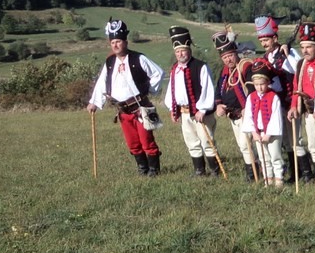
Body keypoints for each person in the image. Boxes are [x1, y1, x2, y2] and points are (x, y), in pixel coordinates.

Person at [86, 18, 164, 176]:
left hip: (141, 108)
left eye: (118, 41)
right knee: (132, 142)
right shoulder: (110, 62)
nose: (115, 45)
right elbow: (102, 82)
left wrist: (149, 90)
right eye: (113, 42)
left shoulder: (138, 58)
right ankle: (142, 169)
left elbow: (158, 73)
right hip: (122, 110)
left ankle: (154, 170)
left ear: (125, 42)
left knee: (146, 140)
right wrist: (94, 102)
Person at [163, 26, 220, 177]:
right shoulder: (175, 69)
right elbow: (172, 91)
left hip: (201, 113)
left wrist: (203, 109)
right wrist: (173, 109)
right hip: (184, 112)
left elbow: (208, 88)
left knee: (207, 141)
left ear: (189, 50)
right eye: (177, 52)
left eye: (183, 51)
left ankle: (214, 170)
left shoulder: (200, 66)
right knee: (192, 141)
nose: (180, 54)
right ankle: (199, 171)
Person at [254, 15, 300, 183]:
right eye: (262, 41)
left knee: (295, 140)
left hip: (289, 102)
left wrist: (287, 55)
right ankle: (291, 172)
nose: (264, 44)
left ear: (275, 38)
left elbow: (297, 69)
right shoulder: (265, 58)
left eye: (266, 40)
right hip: (274, 105)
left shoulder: (289, 52)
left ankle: (304, 173)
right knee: (284, 140)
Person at [286, 22, 315, 186]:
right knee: (313, 144)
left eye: (309, 47)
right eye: (303, 47)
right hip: (309, 109)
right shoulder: (300, 64)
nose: (305, 51)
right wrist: (293, 106)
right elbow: (296, 87)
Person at [212, 29, 257, 181]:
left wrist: (247, 108)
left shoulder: (245, 66)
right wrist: (219, 105)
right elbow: (218, 90)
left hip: (245, 113)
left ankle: (253, 174)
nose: (228, 60)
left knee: (246, 144)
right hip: (232, 115)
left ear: (235, 53)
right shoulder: (225, 71)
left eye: (230, 55)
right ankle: (252, 171)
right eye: (224, 57)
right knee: (242, 145)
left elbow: (252, 89)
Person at [242, 62, 285, 187]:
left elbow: (276, 117)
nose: (259, 88)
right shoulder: (251, 97)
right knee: (264, 157)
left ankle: (279, 180)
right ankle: (268, 180)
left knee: (275, 156)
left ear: (267, 83)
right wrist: (254, 133)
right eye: (256, 85)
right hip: (258, 133)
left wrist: (269, 134)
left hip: (272, 134)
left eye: (262, 84)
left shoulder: (273, 97)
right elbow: (248, 116)